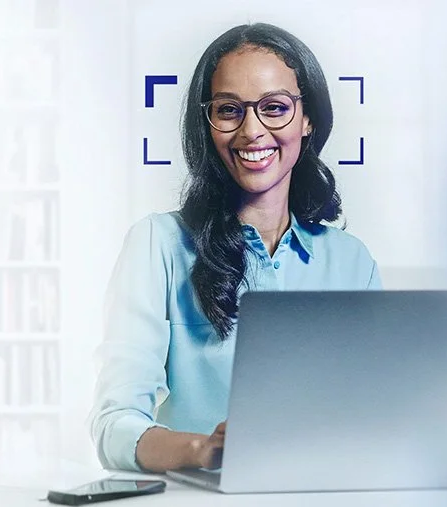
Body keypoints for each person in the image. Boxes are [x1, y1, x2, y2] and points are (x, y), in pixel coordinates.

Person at [89, 23, 382, 473]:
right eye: (229, 110)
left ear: (308, 120)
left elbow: (374, 413)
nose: (251, 131)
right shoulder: (158, 245)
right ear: (207, 125)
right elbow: (114, 426)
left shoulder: (351, 261)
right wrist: (203, 450)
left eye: (275, 108)